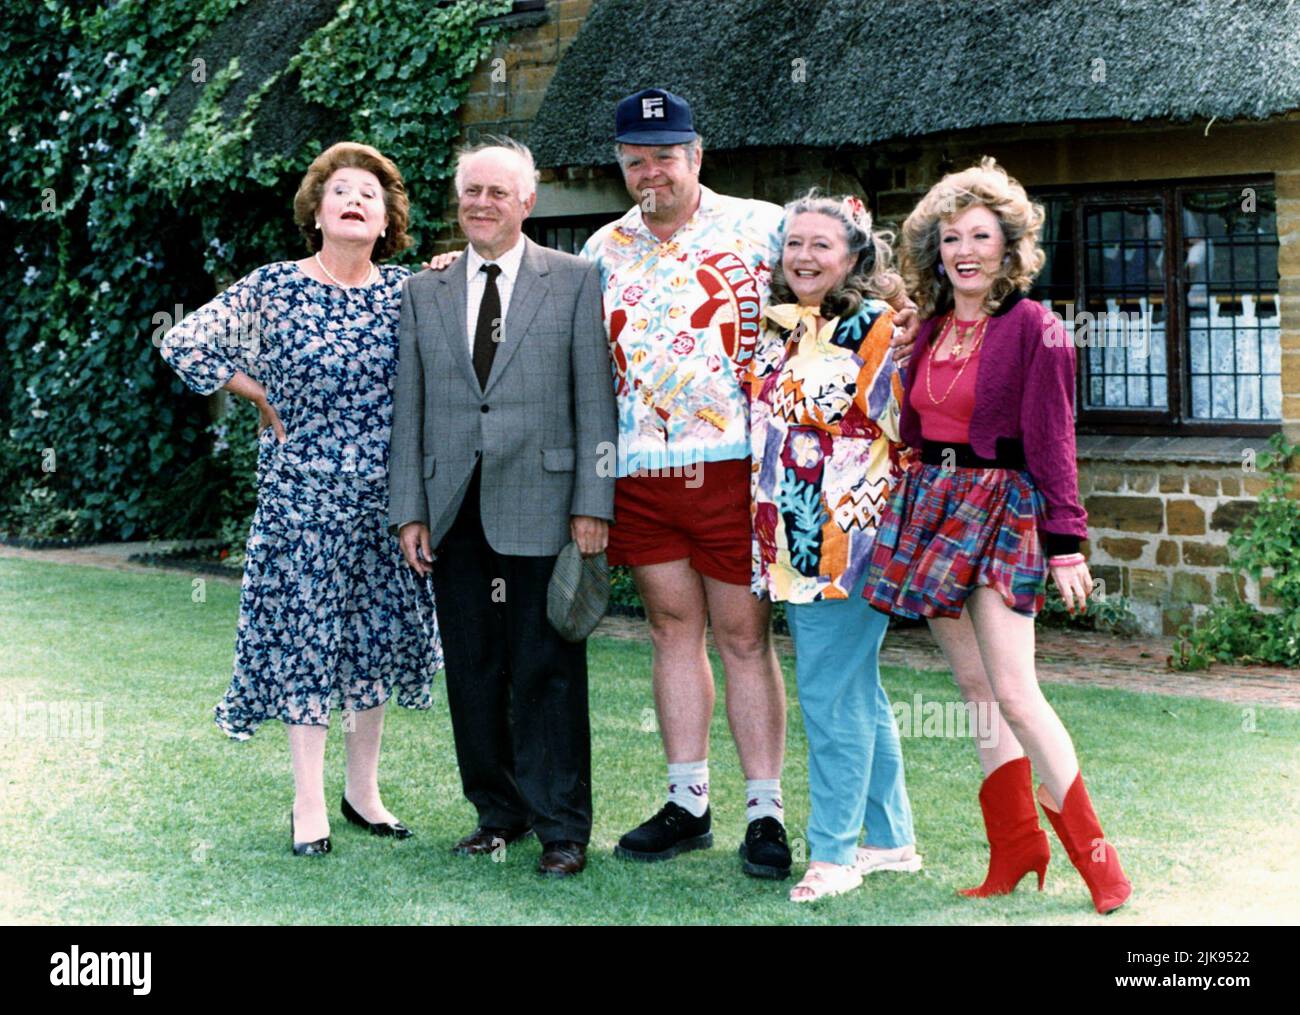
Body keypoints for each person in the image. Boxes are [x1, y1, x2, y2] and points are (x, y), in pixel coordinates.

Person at [579, 88, 920, 879]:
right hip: (640, 465)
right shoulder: (601, 248)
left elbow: (851, 271)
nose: (650, 170)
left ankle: (763, 812)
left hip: (741, 464)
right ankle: (687, 801)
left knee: (741, 635)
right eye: (636, 159)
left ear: (697, 156)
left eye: (666, 155)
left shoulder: (763, 224)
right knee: (670, 630)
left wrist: (899, 315)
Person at [863, 157, 1132, 914]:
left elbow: (1054, 441)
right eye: (951, 238)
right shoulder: (929, 330)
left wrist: (1066, 540)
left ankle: (1097, 856)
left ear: (1008, 247)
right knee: (976, 692)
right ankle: (1014, 848)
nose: (966, 250)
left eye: (981, 235)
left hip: (1004, 508)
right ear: (936, 251)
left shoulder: (1037, 329)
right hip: (935, 506)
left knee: (1015, 691)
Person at [159, 141, 441, 856]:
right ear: (317, 212)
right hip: (301, 504)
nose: (355, 200)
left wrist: (446, 272)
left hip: (387, 504)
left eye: (370, 196)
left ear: (386, 221)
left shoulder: (407, 292)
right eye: (340, 191)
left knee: (373, 642)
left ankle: (364, 792)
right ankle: (308, 802)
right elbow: (185, 342)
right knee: (307, 642)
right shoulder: (275, 287)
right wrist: (250, 388)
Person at [389, 137, 616, 878]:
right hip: (454, 510)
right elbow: (410, 408)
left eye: (497, 191)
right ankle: (497, 812)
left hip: (546, 505)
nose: (480, 203)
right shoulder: (425, 290)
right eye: (470, 191)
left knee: (545, 667)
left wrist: (593, 502)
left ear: (528, 201)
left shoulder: (576, 280)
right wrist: (409, 509)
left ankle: (561, 827)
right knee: (474, 668)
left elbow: (596, 402)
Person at [747, 192, 923, 902]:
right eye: (794, 243)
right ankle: (891, 839)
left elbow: (909, 428)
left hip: (848, 538)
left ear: (853, 256)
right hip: (787, 536)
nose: (804, 257)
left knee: (827, 692)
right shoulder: (777, 326)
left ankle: (834, 853)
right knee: (854, 688)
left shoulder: (880, 329)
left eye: (822, 244)